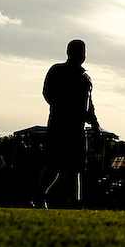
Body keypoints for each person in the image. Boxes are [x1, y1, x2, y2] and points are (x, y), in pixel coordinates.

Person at [33, 39, 100, 208]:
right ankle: (41, 197)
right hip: (60, 125)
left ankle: (75, 202)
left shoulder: (85, 78)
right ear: (69, 53)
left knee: (75, 167)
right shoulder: (58, 71)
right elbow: (48, 94)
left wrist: (95, 124)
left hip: (77, 128)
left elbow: (89, 104)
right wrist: (66, 108)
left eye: (82, 52)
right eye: (77, 52)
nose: (80, 56)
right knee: (54, 165)